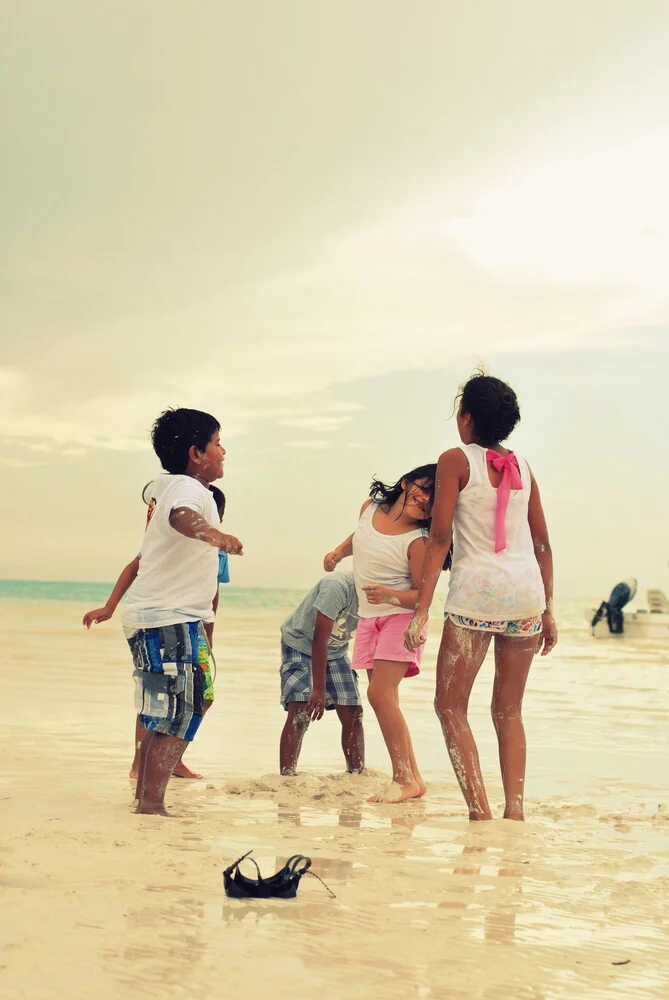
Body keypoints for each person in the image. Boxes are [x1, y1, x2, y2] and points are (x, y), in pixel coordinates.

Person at [404, 373, 557, 822]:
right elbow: (543, 542)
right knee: (509, 711)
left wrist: (421, 610)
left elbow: (439, 538)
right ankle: (515, 812)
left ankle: (480, 812)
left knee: (449, 706)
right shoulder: (524, 466)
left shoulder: (455, 460)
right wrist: (550, 609)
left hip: (476, 598)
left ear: (466, 417)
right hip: (526, 596)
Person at [119, 407, 242, 815]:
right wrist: (213, 533)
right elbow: (182, 518)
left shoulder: (164, 485)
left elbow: (163, 505)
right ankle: (151, 803)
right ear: (196, 453)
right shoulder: (190, 493)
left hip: (157, 616)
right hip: (168, 617)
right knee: (184, 706)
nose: (223, 451)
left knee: (172, 706)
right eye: (217, 442)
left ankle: (146, 798)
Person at [83, 485, 229, 780]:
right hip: (164, 620)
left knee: (204, 694)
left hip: (195, 626)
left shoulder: (217, 552)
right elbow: (134, 567)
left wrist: (209, 635)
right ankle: (140, 763)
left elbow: (212, 592)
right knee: (157, 693)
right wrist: (110, 607)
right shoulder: (168, 541)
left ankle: (173, 758)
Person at [325, 464, 441, 804]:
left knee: (379, 694)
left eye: (434, 497)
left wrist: (391, 596)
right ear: (405, 482)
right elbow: (359, 537)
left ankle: (404, 778)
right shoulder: (370, 508)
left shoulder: (418, 540)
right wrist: (337, 552)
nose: (425, 498)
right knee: (385, 698)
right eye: (422, 487)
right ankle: (412, 778)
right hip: (369, 617)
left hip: (401, 619)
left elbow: (423, 596)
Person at [279, 571, 363, 775]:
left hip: (337, 650)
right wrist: (318, 689)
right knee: (300, 709)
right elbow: (319, 639)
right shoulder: (337, 586)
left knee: (354, 712)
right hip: (301, 642)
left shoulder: (384, 594)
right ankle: (287, 776)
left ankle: (356, 773)